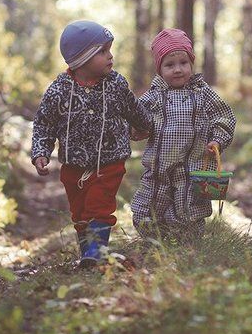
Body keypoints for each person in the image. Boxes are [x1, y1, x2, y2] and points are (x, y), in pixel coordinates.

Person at [32, 20, 151, 267]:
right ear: (81, 59)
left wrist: (144, 126)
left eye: (109, 50)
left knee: (99, 205)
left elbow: (133, 109)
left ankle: (96, 252)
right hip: (73, 164)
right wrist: (41, 151)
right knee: (80, 212)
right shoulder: (59, 91)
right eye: (102, 51)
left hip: (109, 160)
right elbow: (44, 124)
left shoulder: (116, 84)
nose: (110, 56)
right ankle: (88, 254)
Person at [130, 28, 236, 240]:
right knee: (147, 208)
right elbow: (136, 118)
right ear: (159, 68)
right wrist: (136, 130)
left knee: (188, 210)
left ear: (191, 63)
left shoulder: (201, 91)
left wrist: (217, 139)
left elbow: (224, 116)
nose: (178, 70)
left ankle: (185, 245)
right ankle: (155, 242)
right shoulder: (154, 95)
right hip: (158, 169)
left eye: (183, 63)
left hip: (192, 167)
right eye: (170, 65)